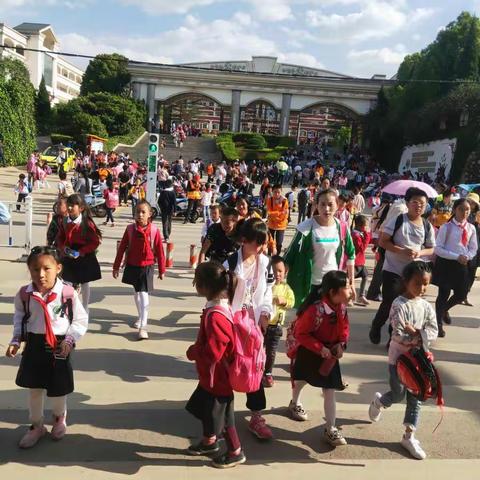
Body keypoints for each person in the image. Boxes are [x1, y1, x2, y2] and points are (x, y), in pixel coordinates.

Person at [5, 246, 88, 448]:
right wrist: (16, 339)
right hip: (34, 343)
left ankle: (59, 418)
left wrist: (70, 340)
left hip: (60, 345)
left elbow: (80, 320)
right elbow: (19, 317)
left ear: (58, 268)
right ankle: (36, 426)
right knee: (34, 388)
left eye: (46, 268)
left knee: (58, 388)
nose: (40, 274)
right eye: (35, 269)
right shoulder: (25, 294)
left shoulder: (67, 293)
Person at [368, 261, 438, 460]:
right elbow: (398, 333)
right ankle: (379, 401)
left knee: (416, 397)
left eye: (426, 284)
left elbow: (433, 330)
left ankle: (409, 436)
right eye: (418, 283)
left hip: (419, 360)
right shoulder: (398, 304)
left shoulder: (426, 306)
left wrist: (417, 334)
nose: (422, 288)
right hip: (398, 360)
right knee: (398, 394)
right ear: (406, 281)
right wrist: (417, 336)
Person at [186, 262, 246, 469]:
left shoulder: (216, 316)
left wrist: (194, 352)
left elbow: (214, 353)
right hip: (211, 376)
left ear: (204, 286)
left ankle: (235, 451)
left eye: (196, 281)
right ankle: (209, 441)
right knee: (204, 408)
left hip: (218, 377)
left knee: (224, 417)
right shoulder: (219, 307)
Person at [223, 218, 274, 440]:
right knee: (226, 370)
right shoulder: (230, 264)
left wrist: (265, 312)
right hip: (231, 324)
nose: (262, 248)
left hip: (253, 326)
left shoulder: (265, 263)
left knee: (254, 370)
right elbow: (221, 295)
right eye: (258, 243)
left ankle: (256, 416)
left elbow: (268, 292)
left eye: (264, 243)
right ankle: (222, 420)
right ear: (244, 240)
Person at [288, 270, 351, 447]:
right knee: (301, 380)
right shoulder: (315, 310)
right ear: (333, 292)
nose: (350, 290)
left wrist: (342, 344)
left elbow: (345, 330)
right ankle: (295, 402)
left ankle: (330, 429)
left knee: (329, 390)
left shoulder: (342, 309)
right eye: (346, 287)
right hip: (310, 352)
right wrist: (319, 348)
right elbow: (301, 333)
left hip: (329, 354)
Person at [369, 187, 435, 345]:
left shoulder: (426, 225)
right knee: (390, 302)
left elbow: (431, 248)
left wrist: (420, 252)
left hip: (412, 274)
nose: (418, 206)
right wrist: (402, 250)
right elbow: (383, 241)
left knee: (404, 305)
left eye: (422, 204)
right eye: (415, 202)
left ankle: (394, 338)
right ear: (407, 203)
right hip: (392, 268)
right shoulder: (398, 220)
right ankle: (376, 326)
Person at [285, 188, 356, 310]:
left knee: (331, 321)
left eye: (330, 204)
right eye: (322, 204)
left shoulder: (342, 227)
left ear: (337, 205)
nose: (326, 209)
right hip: (310, 284)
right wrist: (279, 282)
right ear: (316, 205)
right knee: (309, 320)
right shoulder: (305, 228)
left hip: (333, 285)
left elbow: (350, 254)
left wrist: (352, 283)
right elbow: (289, 256)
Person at [113, 200, 165, 340]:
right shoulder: (130, 229)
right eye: (138, 212)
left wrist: (162, 269)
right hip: (132, 265)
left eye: (143, 212)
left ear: (150, 214)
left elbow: (160, 251)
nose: (140, 215)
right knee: (136, 293)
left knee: (143, 293)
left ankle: (144, 326)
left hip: (147, 266)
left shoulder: (154, 230)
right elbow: (122, 248)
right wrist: (116, 266)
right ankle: (140, 316)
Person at [433, 198, 478, 337]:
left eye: (467, 210)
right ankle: (438, 323)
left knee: (461, 294)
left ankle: (443, 310)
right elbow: (438, 249)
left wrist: (467, 257)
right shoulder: (447, 227)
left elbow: (473, 247)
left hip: (462, 265)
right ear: (455, 210)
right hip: (447, 263)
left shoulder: (471, 228)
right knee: (443, 294)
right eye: (461, 209)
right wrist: (455, 256)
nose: (464, 212)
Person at [55, 194, 102, 313]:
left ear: (81, 208)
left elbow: (95, 241)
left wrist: (81, 252)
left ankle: (85, 306)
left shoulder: (87, 223)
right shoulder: (64, 221)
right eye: (68, 205)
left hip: (83, 255)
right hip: (69, 254)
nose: (70, 208)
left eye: (73, 206)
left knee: (85, 282)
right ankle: (69, 306)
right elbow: (59, 238)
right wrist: (63, 248)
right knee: (67, 281)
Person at [263, 255, 295, 388]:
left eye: (280, 271)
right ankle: (256, 369)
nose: (277, 274)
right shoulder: (265, 285)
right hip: (262, 325)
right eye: (274, 271)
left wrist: (285, 302)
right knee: (259, 349)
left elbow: (292, 302)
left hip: (276, 326)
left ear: (285, 272)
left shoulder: (286, 288)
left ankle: (268, 372)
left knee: (271, 351)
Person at [351, 215, 371, 306]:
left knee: (365, 276)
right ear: (360, 226)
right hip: (355, 262)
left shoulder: (359, 234)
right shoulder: (355, 235)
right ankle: (350, 296)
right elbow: (361, 248)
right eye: (365, 226)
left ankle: (361, 295)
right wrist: (367, 236)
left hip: (360, 261)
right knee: (350, 279)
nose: (367, 228)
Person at [266, 184, 289, 254]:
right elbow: (269, 212)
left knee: (279, 243)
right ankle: (269, 256)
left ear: (281, 192)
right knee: (269, 242)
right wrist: (279, 213)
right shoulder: (270, 200)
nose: (277, 194)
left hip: (281, 225)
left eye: (278, 192)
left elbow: (285, 214)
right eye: (275, 192)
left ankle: (277, 257)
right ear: (272, 192)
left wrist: (275, 215)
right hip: (271, 224)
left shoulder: (285, 200)